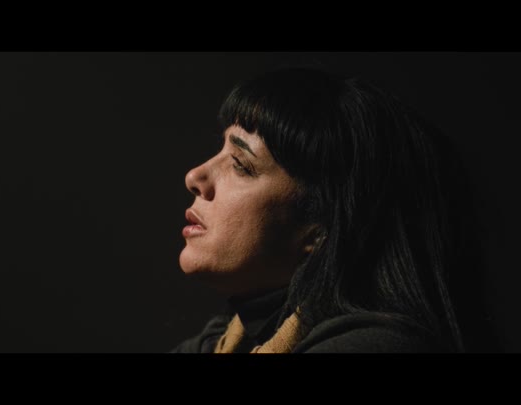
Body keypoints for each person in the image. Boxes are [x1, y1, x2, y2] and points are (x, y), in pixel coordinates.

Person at [170, 67, 496, 353]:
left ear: (321, 229)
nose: (194, 176)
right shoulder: (227, 339)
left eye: (241, 164)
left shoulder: (374, 346)